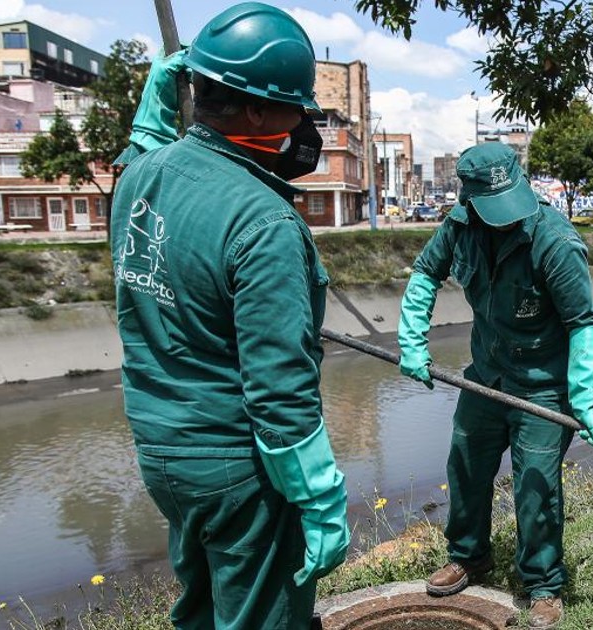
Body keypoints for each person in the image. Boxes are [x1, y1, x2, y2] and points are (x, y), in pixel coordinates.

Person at [109, 4, 348, 628]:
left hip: (162, 452)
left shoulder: (136, 181)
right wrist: (320, 498)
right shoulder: (264, 222)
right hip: (235, 466)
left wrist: (158, 100)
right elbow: (279, 390)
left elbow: (146, 148)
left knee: (203, 604)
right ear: (255, 111)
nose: (303, 122)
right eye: (295, 106)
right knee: (262, 614)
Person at [397, 142, 593, 629]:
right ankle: (469, 556)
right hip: (487, 373)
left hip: (542, 384)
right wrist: (412, 338)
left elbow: (585, 322)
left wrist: (584, 395)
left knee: (536, 486)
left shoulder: (554, 241)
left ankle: (542, 582)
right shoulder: (459, 226)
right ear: (468, 200)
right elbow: (425, 274)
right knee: (466, 464)